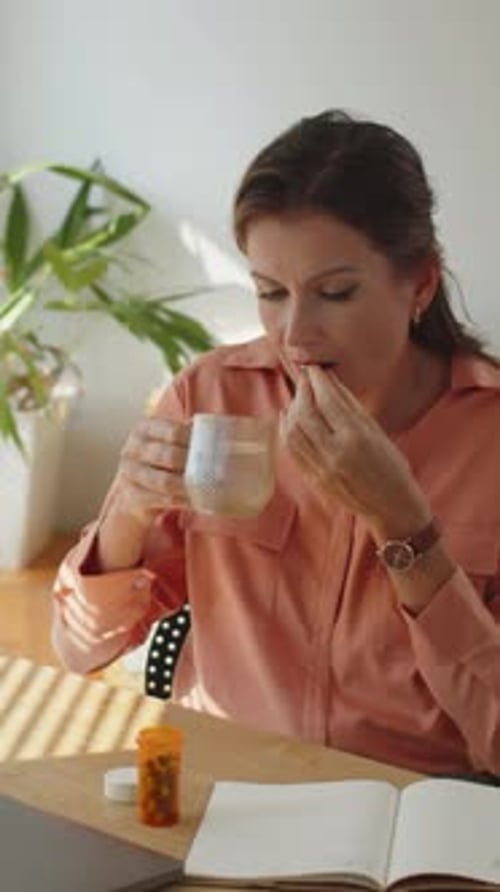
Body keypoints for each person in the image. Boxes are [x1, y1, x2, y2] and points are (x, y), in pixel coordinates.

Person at [53, 110, 500, 776]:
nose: (295, 335)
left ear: (421, 284)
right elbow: (76, 649)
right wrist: (125, 519)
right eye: (269, 292)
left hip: (410, 811)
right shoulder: (210, 399)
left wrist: (404, 528)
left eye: (336, 293)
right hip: (226, 785)